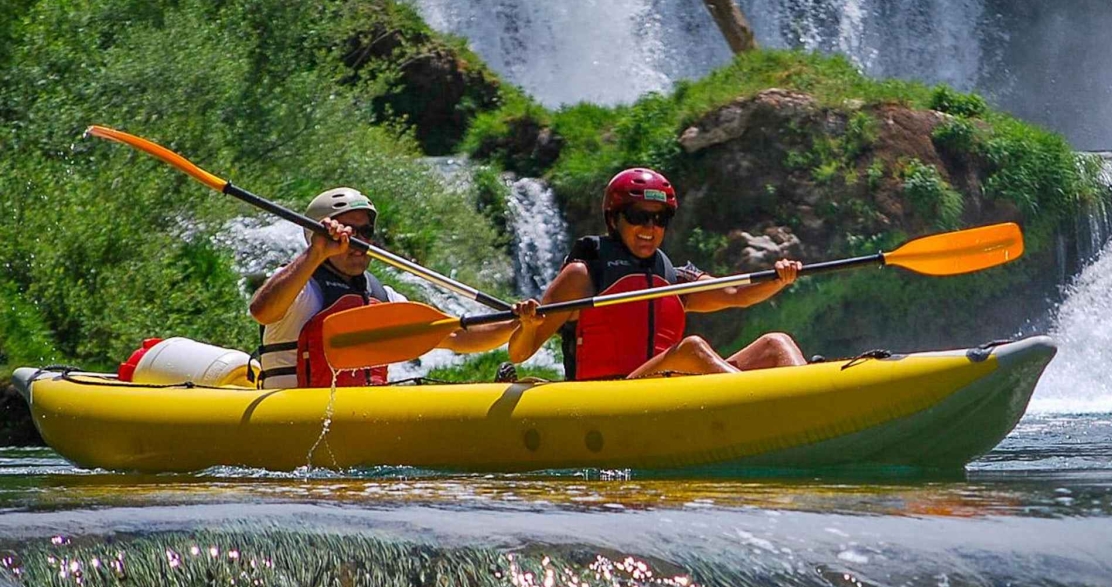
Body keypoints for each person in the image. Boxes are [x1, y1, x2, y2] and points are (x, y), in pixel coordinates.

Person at [507, 168, 807, 379]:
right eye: (639, 217)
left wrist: (779, 278)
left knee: (775, 343)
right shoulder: (583, 275)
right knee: (691, 349)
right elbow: (520, 353)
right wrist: (530, 327)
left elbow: (736, 293)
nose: (650, 228)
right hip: (612, 398)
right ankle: (764, 402)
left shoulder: (674, 278)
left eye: (660, 218)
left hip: (668, 387)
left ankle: (807, 396)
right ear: (614, 220)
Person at [249, 187, 512, 387]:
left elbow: (456, 335)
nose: (360, 240)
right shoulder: (300, 288)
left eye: (366, 231)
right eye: (349, 230)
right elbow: (262, 311)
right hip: (293, 413)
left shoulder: (382, 296)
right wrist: (316, 253)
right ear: (317, 235)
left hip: (362, 413)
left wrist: (518, 322)